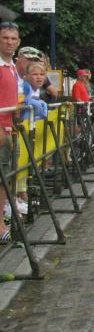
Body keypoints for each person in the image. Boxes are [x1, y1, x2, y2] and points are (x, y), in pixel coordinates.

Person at [0, 22, 21, 241]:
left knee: (6, 178)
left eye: (13, 39)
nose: (9, 42)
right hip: (0, 130)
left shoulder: (11, 66)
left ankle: (2, 221)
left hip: (10, 129)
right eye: (5, 38)